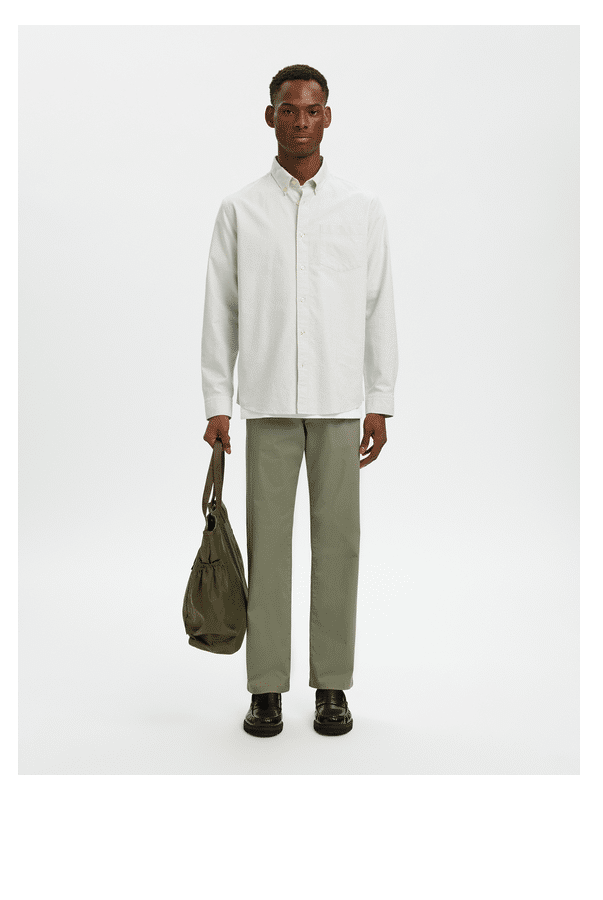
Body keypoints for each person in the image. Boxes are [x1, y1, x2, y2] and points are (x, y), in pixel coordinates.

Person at [200, 64, 398, 737]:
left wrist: (380, 398)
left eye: (313, 110)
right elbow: (221, 310)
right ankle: (266, 688)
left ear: (328, 117)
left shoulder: (361, 208)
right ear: (271, 117)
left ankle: (332, 686)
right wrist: (217, 401)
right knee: (269, 550)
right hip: (267, 402)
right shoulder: (240, 210)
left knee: (339, 547)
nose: (301, 122)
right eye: (289, 110)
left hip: (340, 402)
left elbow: (378, 306)